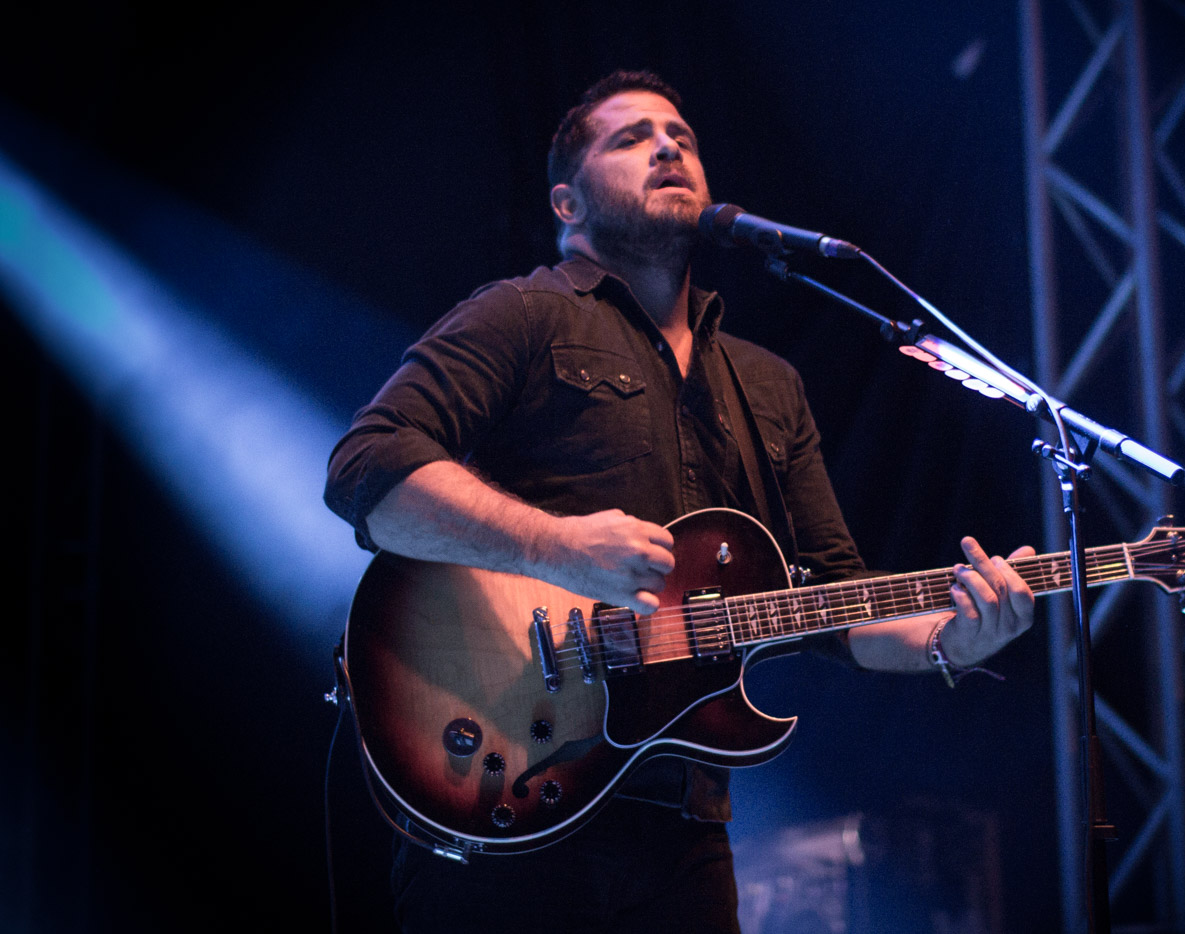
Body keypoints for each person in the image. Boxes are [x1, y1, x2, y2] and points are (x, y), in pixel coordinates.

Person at [325, 69, 1035, 933]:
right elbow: (367, 471)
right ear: (567, 203)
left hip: (684, 828)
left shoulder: (768, 386)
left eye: (682, 137)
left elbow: (832, 606)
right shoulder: (523, 316)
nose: (668, 146)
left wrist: (951, 640)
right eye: (631, 138)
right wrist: (557, 547)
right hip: (512, 800)